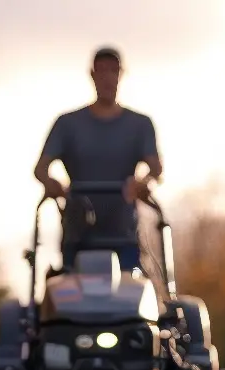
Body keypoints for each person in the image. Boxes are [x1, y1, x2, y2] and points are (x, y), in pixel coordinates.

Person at [33, 46, 163, 272]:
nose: (108, 78)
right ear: (92, 75)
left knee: (129, 294)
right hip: (78, 233)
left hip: (124, 234)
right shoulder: (67, 124)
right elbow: (41, 169)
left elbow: (156, 171)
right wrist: (51, 184)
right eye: (101, 71)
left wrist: (142, 183)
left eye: (113, 71)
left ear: (121, 75)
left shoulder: (140, 125)